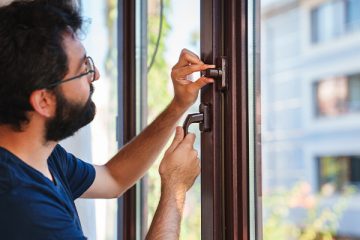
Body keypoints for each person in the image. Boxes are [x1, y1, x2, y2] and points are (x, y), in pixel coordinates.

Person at [0, 0, 215, 239]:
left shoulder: (41, 157)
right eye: (83, 69)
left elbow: (114, 178)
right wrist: (175, 188)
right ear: (44, 101)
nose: (95, 75)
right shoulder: (23, 205)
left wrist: (179, 105)